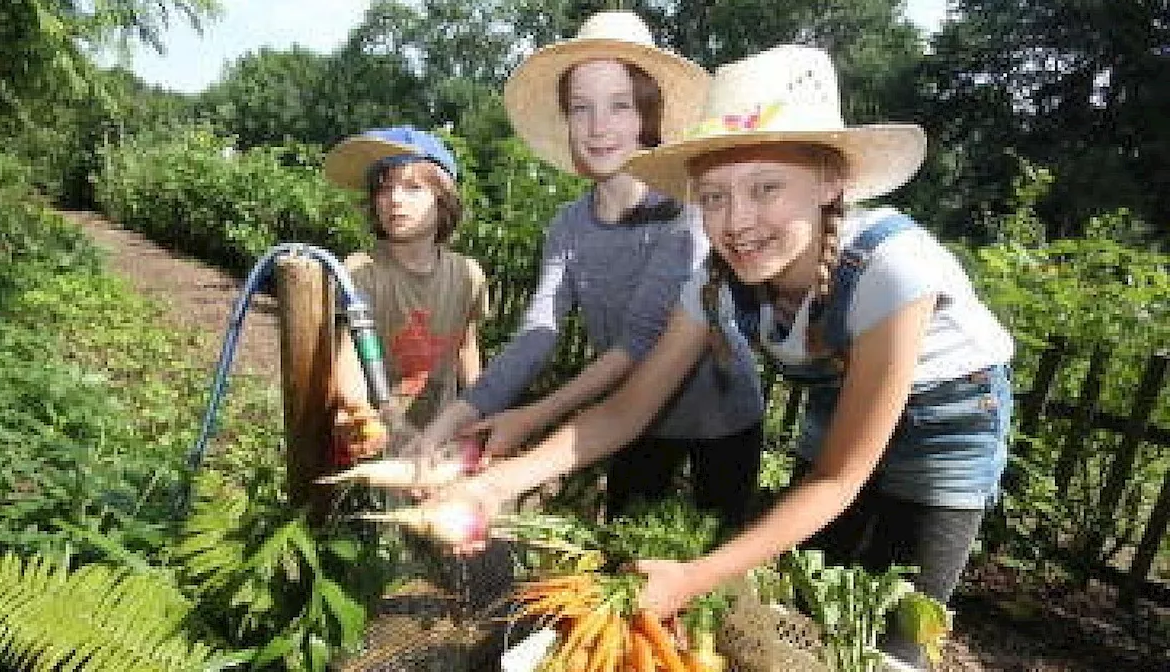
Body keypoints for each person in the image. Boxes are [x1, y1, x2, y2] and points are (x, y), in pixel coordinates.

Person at [432, 45, 1015, 668]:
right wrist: (499, 483)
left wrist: (694, 577)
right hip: (839, 400)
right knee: (809, 598)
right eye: (712, 197)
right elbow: (628, 409)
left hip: (951, 419)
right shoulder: (714, 278)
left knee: (900, 635)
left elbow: (838, 478)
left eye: (766, 188)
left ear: (830, 182)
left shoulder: (893, 270)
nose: (737, 221)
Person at [413, 11, 766, 529]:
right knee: (623, 548)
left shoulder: (688, 217)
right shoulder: (568, 226)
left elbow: (637, 345)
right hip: (631, 418)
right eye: (582, 109)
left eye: (619, 106)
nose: (599, 126)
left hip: (723, 417)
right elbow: (539, 331)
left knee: (716, 556)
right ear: (567, 123)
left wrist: (537, 414)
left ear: (648, 115)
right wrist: (462, 411)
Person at [322, 126, 489, 462]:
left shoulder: (468, 276)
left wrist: (478, 417)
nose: (394, 200)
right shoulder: (360, 272)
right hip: (374, 443)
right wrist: (359, 411)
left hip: (442, 436)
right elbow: (348, 358)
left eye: (412, 188)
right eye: (384, 189)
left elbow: (466, 348)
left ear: (443, 201)